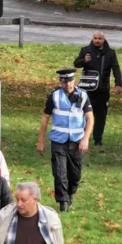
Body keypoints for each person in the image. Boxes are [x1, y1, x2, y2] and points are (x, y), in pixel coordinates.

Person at [36, 68, 93, 212]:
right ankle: (62, 201)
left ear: (74, 80)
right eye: (64, 82)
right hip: (58, 141)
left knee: (75, 174)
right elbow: (45, 118)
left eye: (70, 81)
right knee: (60, 172)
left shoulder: (83, 96)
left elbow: (90, 118)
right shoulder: (54, 97)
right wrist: (41, 141)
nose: (67, 84)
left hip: (76, 141)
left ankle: (70, 193)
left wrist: (85, 139)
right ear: (60, 82)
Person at [73, 32, 122, 146]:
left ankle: (98, 140)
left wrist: (118, 84)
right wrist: (84, 60)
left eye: (99, 38)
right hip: (87, 90)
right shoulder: (86, 51)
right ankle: (83, 138)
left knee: (101, 116)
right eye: (95, 38)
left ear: (104, 39)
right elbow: (76, 64)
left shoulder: (110, 53)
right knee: (84, 115)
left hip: (103, 90)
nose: (97, 40)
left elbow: (116, 69)